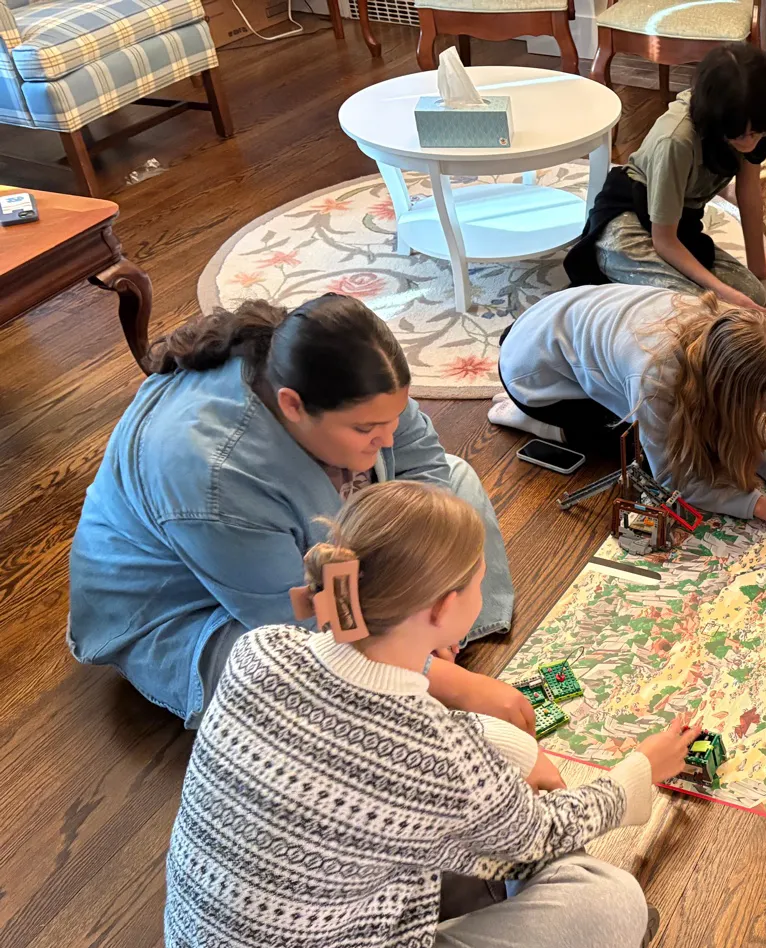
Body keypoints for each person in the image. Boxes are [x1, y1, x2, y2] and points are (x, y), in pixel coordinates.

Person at [164, 480, 700, 948]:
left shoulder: (259, 650)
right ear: (445, 610)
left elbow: (367, 697)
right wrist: (637, 772)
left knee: (476, 783)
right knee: (613, 906)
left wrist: (461, 703)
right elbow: (548, 827)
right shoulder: (437, 756)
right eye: (477, 584)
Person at [68, 295, 522, 730]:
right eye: (366, 429)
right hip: (198, 611)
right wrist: (449, 680)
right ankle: (429, 656)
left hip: (301, 553)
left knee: (452, 483)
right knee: (284, 676)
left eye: (394, 417)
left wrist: (432, 597)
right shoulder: (213, 474)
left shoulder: (340, 375)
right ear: (292, 405)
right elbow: (297, 617)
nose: (387, 439)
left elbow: (419, 455)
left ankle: (436, 642)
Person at [489, 283, 766, 533]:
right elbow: (674, 482)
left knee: (699, 432)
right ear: (726, 387)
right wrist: (760, 506)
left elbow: (734, 420)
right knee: (634, 455)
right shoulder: (655, 381)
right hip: (531, 374)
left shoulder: (723, 333)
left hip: (553, 319)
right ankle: (529, 417)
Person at [563, 42, 766, 311]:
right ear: (717, 120)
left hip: (681, 224)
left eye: (757, 133)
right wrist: (724, 294)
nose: (750, 142)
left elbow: (748, 193)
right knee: (701, 308)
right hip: (629, 221)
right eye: (740, 135)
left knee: (751, 295)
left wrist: (758, 266)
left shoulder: (758, 118)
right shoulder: (677, 140)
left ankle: (636, 291)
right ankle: (614, 285)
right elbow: (664, 240)